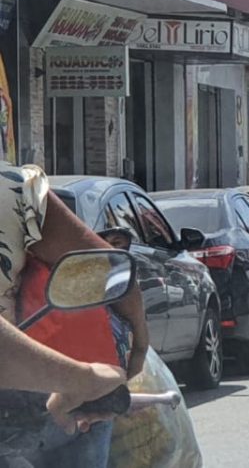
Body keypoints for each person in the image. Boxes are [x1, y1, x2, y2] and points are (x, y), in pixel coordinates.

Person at [0, 164, 149, 468]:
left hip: (21, 399)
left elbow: (109, 271)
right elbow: (112, 274)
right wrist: (85, 377)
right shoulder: (14, 188)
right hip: (22, 398)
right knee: (86, 420)